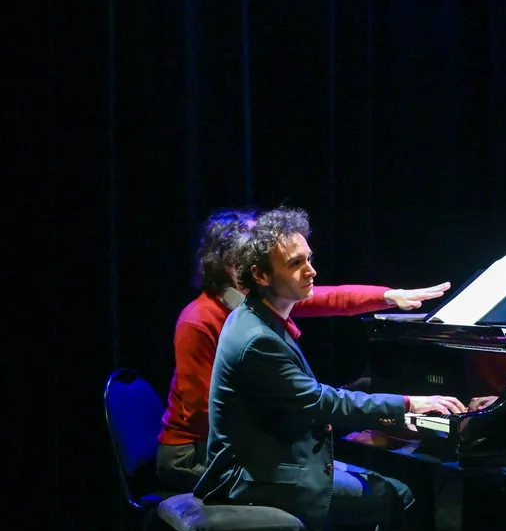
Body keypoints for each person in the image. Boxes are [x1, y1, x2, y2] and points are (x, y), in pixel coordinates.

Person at [194, 206, 467, 531]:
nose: (311, 270)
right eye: (296, 263)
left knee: (394, 484)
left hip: (273, 461)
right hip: (262, 477)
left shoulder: (259, 315)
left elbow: (330, 311)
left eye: (309, 257)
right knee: (401, 495)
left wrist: (390, 298)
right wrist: (409, 404)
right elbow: (323, 401)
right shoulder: (257, 337)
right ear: (261, 275)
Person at [156, 209, 450, 492]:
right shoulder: (200, 321)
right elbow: (202, 416)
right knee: (342, 484)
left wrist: (389, 296)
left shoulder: (266, 300)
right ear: (236, 265)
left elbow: (333, 297)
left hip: (246, 442)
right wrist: (297, 437)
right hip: (195, 454)